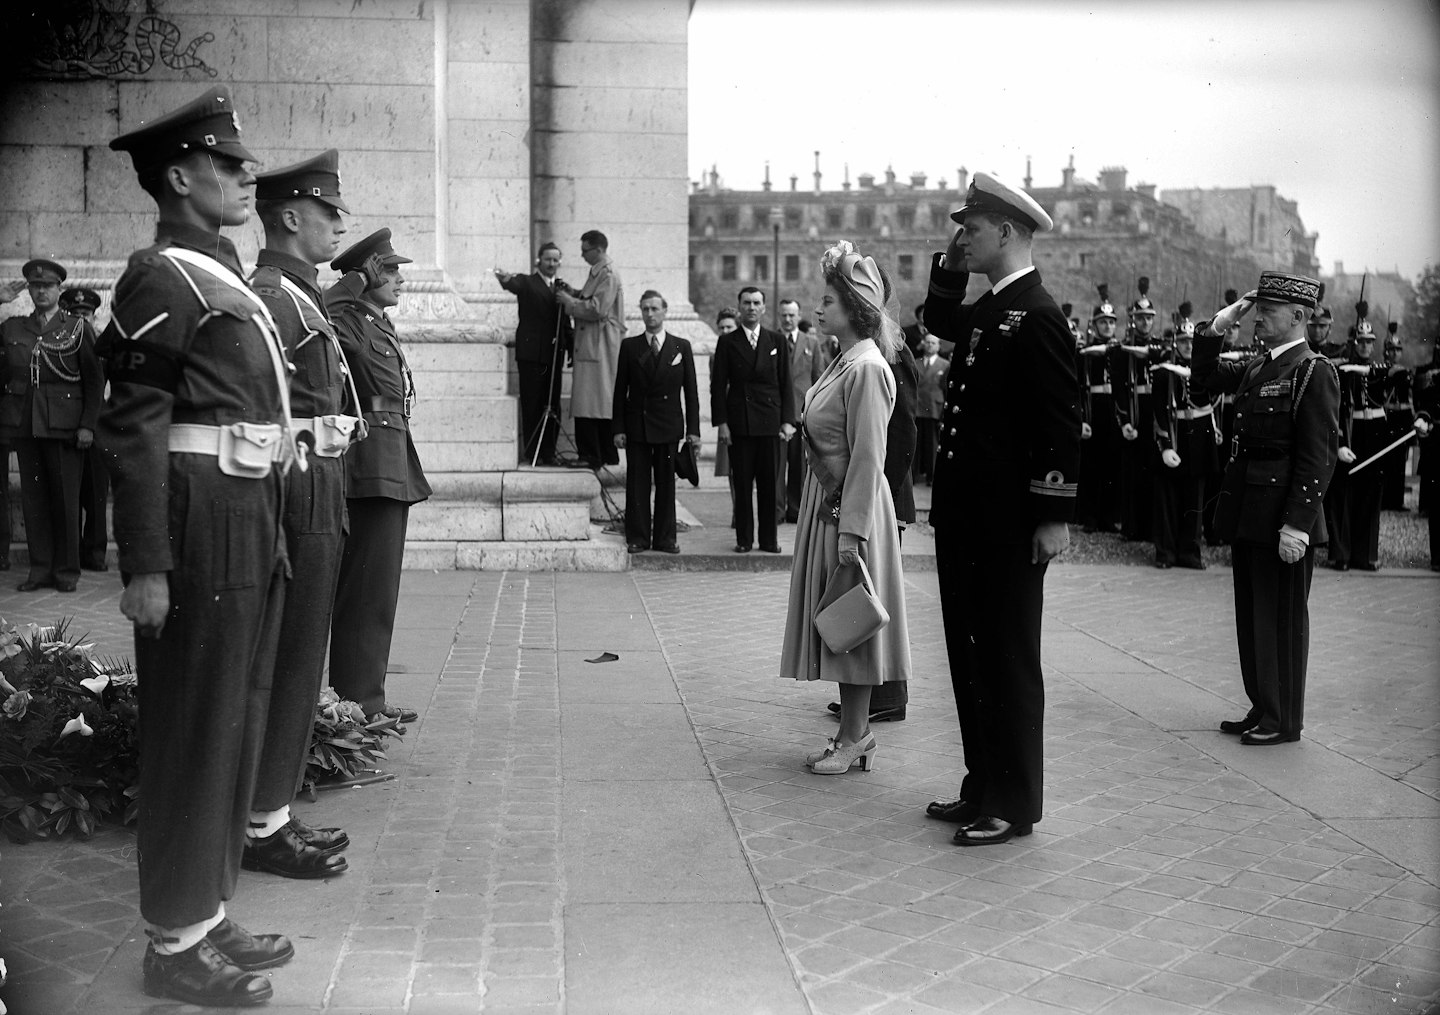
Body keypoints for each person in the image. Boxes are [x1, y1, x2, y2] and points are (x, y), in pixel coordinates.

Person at [102, 84, 296, 1006]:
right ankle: (172, 941)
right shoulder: (158, 275)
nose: (244, 173)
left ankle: (206, 912)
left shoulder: (220, 274)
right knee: (192, 726)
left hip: (246, 516)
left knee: (238, 714)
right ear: (179, 176)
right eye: (226, 162)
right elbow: (132, 426)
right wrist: (145, 560)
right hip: (196, 521)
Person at [922, 172, 1080, 846]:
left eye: (973, 228)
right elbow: (939, 320)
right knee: (970, 656)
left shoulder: (1038, 314)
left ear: (1009, 232)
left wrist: (1053, 513)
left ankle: (1013, 801)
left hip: (1010, 523)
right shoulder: (993, 308)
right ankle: (981, 782)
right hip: (967, 517)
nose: (963, 236)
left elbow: (1061, 422)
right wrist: (949, 270)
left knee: (1007, 658)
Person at [243, 149, 359, 880]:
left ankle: (273, 812)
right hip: (297, 498)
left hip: (320, 490)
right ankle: (262, 822)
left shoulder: (303, 296)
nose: (338, 225)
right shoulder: (277, 299)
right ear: (290, 217)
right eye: (329, 212)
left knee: (299, 658)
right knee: (283, 661)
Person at [1191, 274, 1339, 745]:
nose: (1258, 316)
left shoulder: (1313, 371)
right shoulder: (1259, 367)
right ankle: (1263, 705)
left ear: (1298, 317)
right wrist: (1217, 327)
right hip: (1249, 514)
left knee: (1282, 621)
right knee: (1253, 617)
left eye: (1269, 309)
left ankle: (1283, 719)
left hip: (1281, 520)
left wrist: (1297, 525)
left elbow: (1318, 454)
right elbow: (1203, 382)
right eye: (1258, 308)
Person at [781, 241, 910, 774]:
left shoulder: (869, 368)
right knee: (838, 620)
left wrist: (851, 533)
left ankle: (856, 738)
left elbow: (867, 459)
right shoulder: (845, 360)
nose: (818, 307)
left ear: (855, 311)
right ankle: (850, 735)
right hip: (829, 504)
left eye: (829, 299)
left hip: (851, 510)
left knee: (851, 619)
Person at [326, 228, 431, 727]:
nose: (400, 279)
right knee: (365, 591)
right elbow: (320, 310)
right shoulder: (344, 317)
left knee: (377, 593)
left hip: (389, 463)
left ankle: (366, 697)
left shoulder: (376, 321)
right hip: (368, 467)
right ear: (366, 274)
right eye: (389, 270)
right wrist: (351, 280)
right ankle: (358, 704)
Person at [1, 258, 103, 593]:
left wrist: (88, 425)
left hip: (65, 428)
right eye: (35, 285)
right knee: (34, 502)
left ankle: (66, 571)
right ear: (28, 289)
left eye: (47, 285)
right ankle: (40, 569)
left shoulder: (76, 327)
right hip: (26, 426)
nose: (41, 290)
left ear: (59, 289)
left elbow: (93, 379)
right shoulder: (14, 328)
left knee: (65, 502)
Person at [612, 290, 700, 554]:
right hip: (637, 425)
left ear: (665, 310)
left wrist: (693, 431)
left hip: (669, 426)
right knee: (637, 484)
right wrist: (618, 428)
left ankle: (665, 538)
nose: (650, 314)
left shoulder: (680, 346)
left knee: (666, 484)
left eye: (654, 309)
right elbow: (619, 391)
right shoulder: (630, 346)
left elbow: (691, 393)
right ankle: (637, 537)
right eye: (645, 309)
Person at [711, 286, 793, 553]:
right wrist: (721, 423)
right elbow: (718, 385)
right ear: (740, 306)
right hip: (740, 424)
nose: (751, 307)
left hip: (770, 422)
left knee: (770, 485)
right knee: (743, 484)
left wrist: (787, 421)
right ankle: (744, 540)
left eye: (756, 303)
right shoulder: (727, 342)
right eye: (746, 303)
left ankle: (769, 540)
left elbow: (786, 384)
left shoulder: (776, 341)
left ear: (764, 307)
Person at [495, 242, 572, 466]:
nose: (552, 264)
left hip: (554, 355)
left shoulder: (561, 287)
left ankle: (548, 452)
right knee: (533, 403)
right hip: (532, 355)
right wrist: (505, 278)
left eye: (556, 260)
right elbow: (514, 283)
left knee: (552, 403)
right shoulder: (528, 282)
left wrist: (571, 345)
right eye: (548, 259)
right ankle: (533, 452)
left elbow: (565, 319)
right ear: (539, 260)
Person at [1149, 320, 1216, 569]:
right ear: (1176, 343)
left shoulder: (1204, 371)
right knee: (1167, 498)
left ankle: (1190, 552)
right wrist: (1165, 445)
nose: (1189, 346)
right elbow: (1158, 411)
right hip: (1174, 435)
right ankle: (1165, 553)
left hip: (1198, 438)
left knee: (1195, 500)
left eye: (1193, 342)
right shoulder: (1164, 371)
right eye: (1185, 342)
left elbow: (1210, 405)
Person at [555, 230, 623, 470]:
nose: (582, 255)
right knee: (594, 400)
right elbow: (592, 299)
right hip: (594, 344)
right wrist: (573, 294)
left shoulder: (608, 274)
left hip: (598, 344)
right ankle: (601, 452)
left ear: (598, 249)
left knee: (591, 401)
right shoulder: (600, 273)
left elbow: (598, 309)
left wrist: (569, 302)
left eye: (585, 250)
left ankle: (592, 454)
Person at [1327, 308, 1387, 571]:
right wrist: (1339, 444)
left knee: (1369, 496)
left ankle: (1365, 556)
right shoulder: (1341, 372)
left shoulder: (1379, 370)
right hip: (1350, 435)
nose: (1365, 346)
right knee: (1343, 498)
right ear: (1354, 343)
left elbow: (1389, 377)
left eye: (1369, 342)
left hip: (1373, 437)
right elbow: (1335, 412)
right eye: (1361, 342)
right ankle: (1341, 554)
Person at [58, 287, 111, 571]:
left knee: (96, 491)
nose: (81, 318)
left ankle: (95, 552)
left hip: (97, 425)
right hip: (65, 422)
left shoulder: (103, 343)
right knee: (70, 493)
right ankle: (73, 553)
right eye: (75, 313)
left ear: (93, 315)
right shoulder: (59, 343)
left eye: (85, 313)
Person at [1109, 277, 1159, 541]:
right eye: (1140, 318)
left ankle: (1150, 528)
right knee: (1131, 474)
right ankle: (1131, 527)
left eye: (1149, 318)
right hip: (1134, 415)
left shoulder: (1160, 348)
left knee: (1153, 473)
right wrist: (1124, 419)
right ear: (1132, 320)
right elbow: (1118, 389)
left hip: (1155, 417)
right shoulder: (1122, 351)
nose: (1145, 323)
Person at [1077, 287, 1122, 533]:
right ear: (1094, 325)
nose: (1107, 327)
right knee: (1092, 465)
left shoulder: (1119, 350)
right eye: (1102, 322)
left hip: (1114, 410)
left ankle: (1108, 516)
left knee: (1112, 465)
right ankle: (1090, 517)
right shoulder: (1085, 352)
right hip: (1094, 410)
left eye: (1111, 322)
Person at [778, 297, 822, 524]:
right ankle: (775, 511)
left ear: (798, 316)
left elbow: (818, 379)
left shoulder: (810, 343)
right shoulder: (772, 340)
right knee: (776, 468)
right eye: (783, 315)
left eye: (791, 315)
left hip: (801, 414)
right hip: (776, 415)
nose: (787, 319)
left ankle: (795, 510)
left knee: (798, 467)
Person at [1381, 323, 1414, 510]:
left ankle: (1397, 500)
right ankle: (1386, 500)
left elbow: (1410, 399)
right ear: (1386, 352)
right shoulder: (1381, 370)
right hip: (1388, 418)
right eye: (1391, 350)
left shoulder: (1405, 372)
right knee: (1387, 459)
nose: (1394, 354)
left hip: (1403, 418)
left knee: (1401, 460)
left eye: (1397, 350)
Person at [712, 307, 739, 526]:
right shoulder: (716, 355)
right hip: (728, 416)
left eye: (729, 327)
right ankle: (736, 510)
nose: (724, 331)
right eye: (721, 328)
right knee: (732, 467)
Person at [913, 333, 949, 483]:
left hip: (934, 407)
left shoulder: (945, 364)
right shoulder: (916, 362)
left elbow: (945, 388)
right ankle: (913, 475)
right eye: (927, 342)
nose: (929, 345)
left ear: (939, 346)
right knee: (916, 443)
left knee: (932, 443)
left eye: (933, 343)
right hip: (917, 407)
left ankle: (931, 476)